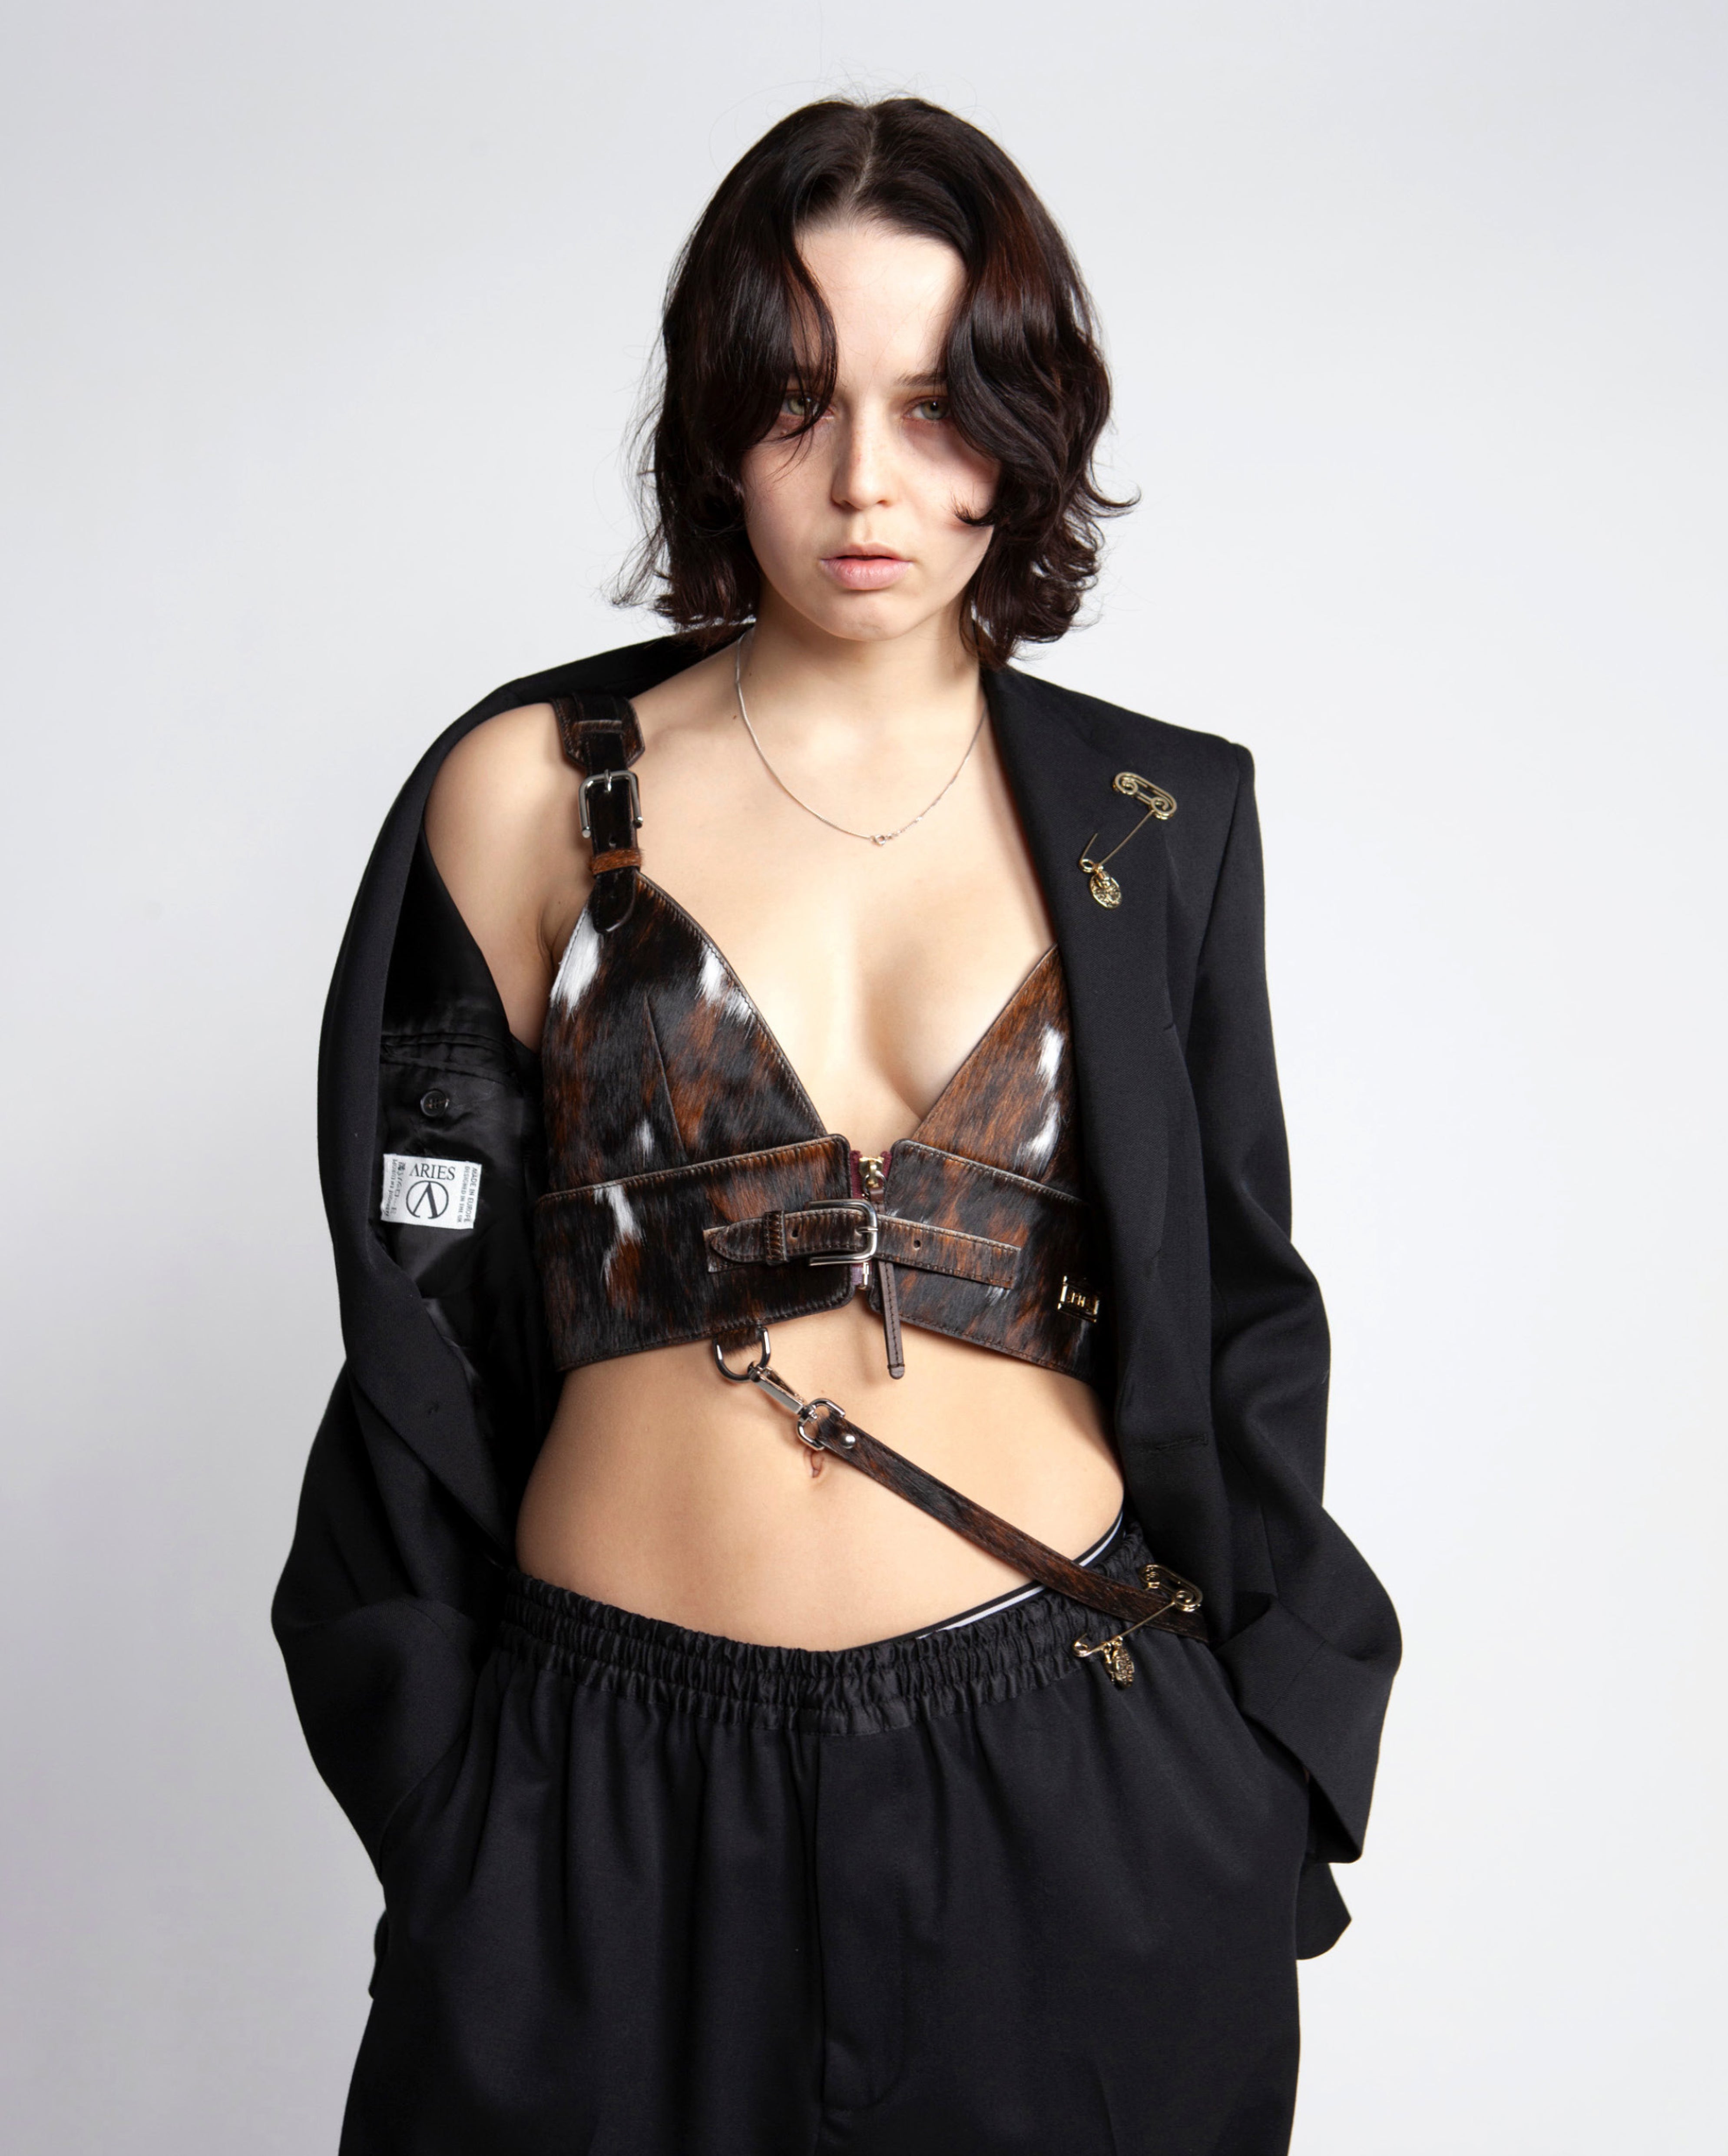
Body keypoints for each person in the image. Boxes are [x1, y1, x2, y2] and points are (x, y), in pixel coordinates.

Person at [275, 94, 1400, 2156]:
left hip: (1076, 1785)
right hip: (600, 1800)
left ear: (1025, 425)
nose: (866, 480)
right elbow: (411, 1337)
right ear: (718, 422)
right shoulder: (524, 794)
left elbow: (1240, 1316)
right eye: (797, 402)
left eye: (937, 401)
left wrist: (1270, 1771)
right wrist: (459, 1815)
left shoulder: (1159, 820)